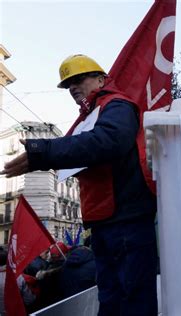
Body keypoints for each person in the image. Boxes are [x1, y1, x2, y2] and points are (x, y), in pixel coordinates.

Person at [1, 54, 158, 315]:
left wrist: (43, 151)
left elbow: (108, 141)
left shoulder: (117, 105)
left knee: (132, 299)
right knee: (111, 297)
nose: (73, 87)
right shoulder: (94, 114)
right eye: (68, 84)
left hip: (126, 220)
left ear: (101, 79)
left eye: (78, 79)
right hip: (106, 222)